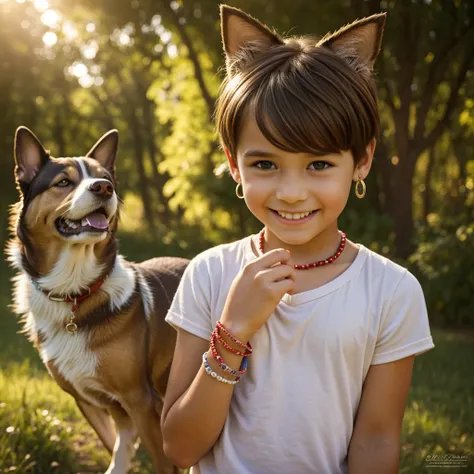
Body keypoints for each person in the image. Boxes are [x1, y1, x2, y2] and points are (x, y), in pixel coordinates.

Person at [161, 5, 435, 474]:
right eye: (265, 164)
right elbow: (180, 448)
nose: (290, 193)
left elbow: (376, 442)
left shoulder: (392, 292)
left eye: (320, 164)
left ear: (362, 160)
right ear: (233, 162)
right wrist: (232, 332)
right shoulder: (208, 274)